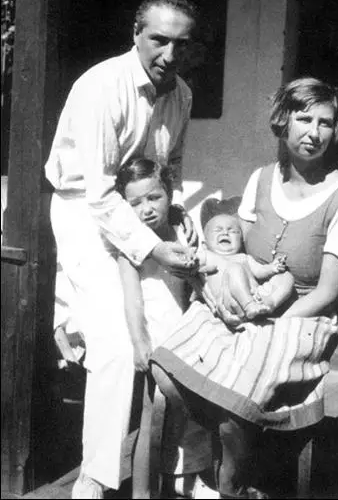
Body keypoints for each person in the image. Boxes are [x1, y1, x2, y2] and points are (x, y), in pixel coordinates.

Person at [150, 77, 338, 498]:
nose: (313, 132)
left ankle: (229, 480)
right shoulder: (261, 179)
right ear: (283, 122)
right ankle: (204, 465)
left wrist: (266, 323)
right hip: (251, 297)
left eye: (325, 122)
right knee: (167, 368)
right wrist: (221, 289)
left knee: (237, 382)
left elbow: (326, 292)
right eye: (304, 119)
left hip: (305, 315)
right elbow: (241, 258)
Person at [44, 0, 204, 499]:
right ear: (136, 34)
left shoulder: (181, 95)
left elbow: (168, 169)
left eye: (181, 44)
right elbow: (97, 192)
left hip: (141, 217)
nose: (169, 55)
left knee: (182, 339)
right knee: (114, 347)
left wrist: (175, 218)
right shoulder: (101, 86)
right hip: (83, 214)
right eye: (159, 40)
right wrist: (153, 248)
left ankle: (185, 471)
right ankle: (94, 479)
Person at [116, 158, 214, 499]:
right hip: (156, 340)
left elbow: (194, 284)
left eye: (154, 197)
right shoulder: (131, 245)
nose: (146, 209)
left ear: (169, 195)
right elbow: (132, 299)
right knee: (152, 418)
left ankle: (189, 479)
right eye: (136, 202)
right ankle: (143, 491)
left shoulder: (181, 230)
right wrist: (139, 341)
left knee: (195, 413)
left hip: (186, 337)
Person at [197, 198, 295, 321]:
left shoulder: (243, 257)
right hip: (230, 302)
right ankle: (249, 306)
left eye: (232, 231)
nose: (225, 233)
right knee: (234, 268)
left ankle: (271, 303)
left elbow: (260, 271)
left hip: (258, 296)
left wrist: (273, 268)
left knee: (286, 277)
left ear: (241, 240)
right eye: (218, 230)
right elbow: (191, 263)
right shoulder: (208, 256)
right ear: (205, 244)